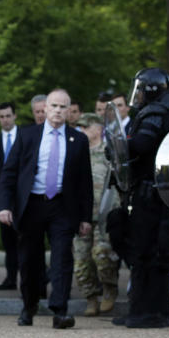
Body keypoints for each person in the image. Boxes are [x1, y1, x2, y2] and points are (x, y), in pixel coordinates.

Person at [0, 89, 94, 329]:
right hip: (31, 204)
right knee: (30, 260)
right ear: (46, 109)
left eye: (64, 107)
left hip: (62, 206)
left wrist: (85, 217)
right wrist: (4, 206)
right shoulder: (27, 136)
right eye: (54, 106)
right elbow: (9, 173)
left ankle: (60, 311)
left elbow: (85, 182)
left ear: (70, 111)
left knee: (62, 257)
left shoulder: (78, 140)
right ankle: (28, 306)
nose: (58, 111)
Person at [116, 68, 169, 328]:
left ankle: (147, 312)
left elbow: (142, 144)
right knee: (148, 251)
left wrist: (119, 145)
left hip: (150, 193)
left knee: (147, 251)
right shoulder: (161, 111)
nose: (138, 95)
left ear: (151, 90)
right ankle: (146, 309)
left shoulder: (155, 113)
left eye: (141, 89)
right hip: (155, 191)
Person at [72, 112, 121, 316]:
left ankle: (109, 289)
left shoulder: (110, 153)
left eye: (86, 127)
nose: (81, 131)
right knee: (81, 263)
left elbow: (120, 182)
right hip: (81, 215)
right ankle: (91, 298)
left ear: (98, 129)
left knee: (102, 255)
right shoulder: (76, 152)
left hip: (103, 215)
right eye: (80, 127)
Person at [0, 102, 20, 291]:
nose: (5, 120)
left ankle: (33, 279)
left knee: (27, 240)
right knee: (8, 242)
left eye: (8, 116)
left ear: (15, 116)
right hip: (4, 198)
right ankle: (10, 278)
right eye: (1, 117)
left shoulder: (25, 137)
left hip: (25, 197)